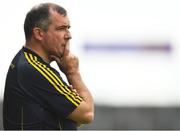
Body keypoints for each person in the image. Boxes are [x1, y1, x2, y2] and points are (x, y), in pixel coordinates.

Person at [3, 3, 94, 130]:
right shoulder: (34, 69)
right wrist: (73, 73)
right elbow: (87, 114)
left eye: (68, 28)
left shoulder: (27, 63)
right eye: (61, 28)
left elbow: (76, 118)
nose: (68, 35)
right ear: (39, 34)